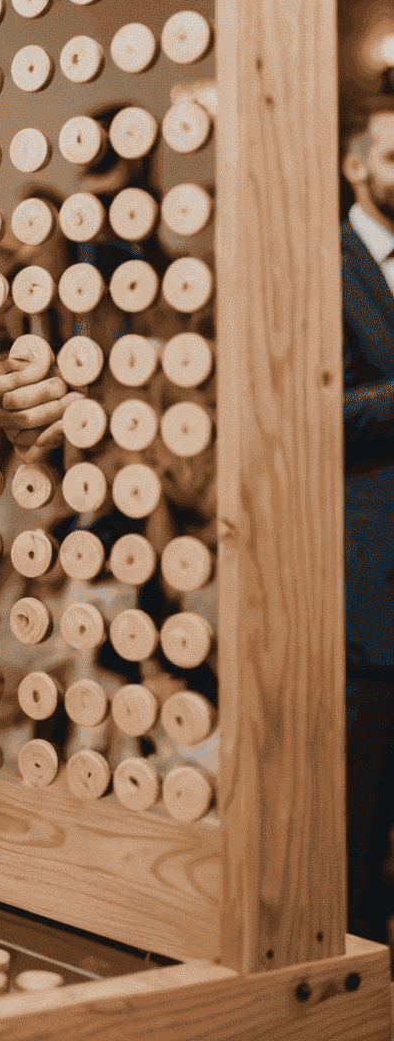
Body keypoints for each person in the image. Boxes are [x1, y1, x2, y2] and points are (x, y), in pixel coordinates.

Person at [339, 103, 394, 945]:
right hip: (369, 592)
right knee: (355, 820)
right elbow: (301, 410)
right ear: (357, 167)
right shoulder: (321, 261)